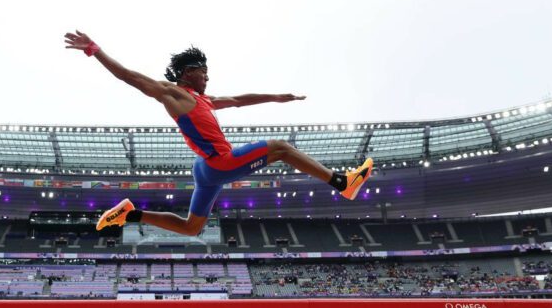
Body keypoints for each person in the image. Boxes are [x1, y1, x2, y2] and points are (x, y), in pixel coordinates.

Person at [64, 31, 373, 236]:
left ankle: (131, 215)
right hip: (218, 162)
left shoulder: (204, 100)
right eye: (204, 71)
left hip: (205, 170)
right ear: (188, 72)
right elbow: (129, 76)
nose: (208, 77)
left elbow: (239, 100)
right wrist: (94, 50)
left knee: (191, 228)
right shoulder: (174, 93)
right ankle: (342, 183)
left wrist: (277, 97)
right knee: (279, 147)